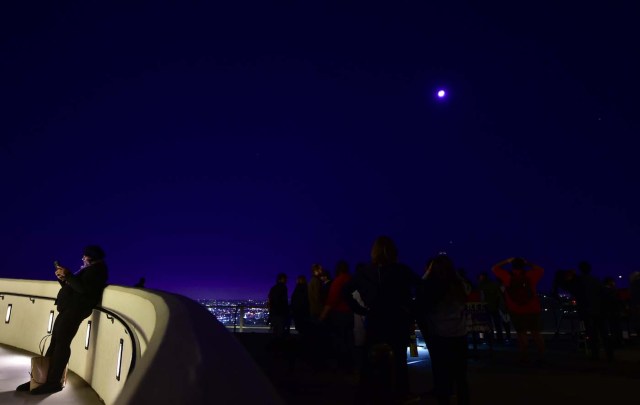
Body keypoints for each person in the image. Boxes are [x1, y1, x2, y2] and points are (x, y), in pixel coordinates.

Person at [17, 245, 109, 395]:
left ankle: (53, 383)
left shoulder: (97, 271)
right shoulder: (91, 270)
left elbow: (83, 289)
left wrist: (68, 274)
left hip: (76, 310)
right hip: (69, 309)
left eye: (85, 256)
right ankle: (41, 378)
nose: (83, 258)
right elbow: (75, 287)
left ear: (91, 257)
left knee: (61, 344)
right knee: (55, 342)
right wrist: (63, 278)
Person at [344, 236, 421, 404]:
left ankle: (369, 393)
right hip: (397, 319)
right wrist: (411, 309)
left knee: (370, 359)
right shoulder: (401, 270)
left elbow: (346, 292)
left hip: (375, 319)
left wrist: (361, 309)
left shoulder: (364, 272)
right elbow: (422, 287)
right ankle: (401, 393)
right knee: (400, 359)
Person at [421, 255, 471, 405]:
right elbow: (467, 289)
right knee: (461, 376)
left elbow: (420, 290)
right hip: (460, 335)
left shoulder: (431, 287)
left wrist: (428, 273)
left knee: (442, 376)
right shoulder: (459, 286)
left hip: (439, 336)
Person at [492, 257, 545, 363]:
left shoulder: (507, 276)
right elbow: (541, 269)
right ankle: (542, 357)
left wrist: (507, 260)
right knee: (536, 334)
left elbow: (494, 268)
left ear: (512, 266)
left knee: (521, 334)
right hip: (533, 309)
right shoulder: (530, 275)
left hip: (516, 310)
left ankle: (524, 358)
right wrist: (528, 263)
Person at [268, 273, 290, 338]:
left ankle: (275, 344)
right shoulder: (283, 288)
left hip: (274, 312)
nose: (286, 280)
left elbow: (270, 299)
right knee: (281, 330)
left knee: (275, 329)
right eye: (285, 279)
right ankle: (279, 344)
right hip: (280, 312)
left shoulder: (274, 288)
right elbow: (284, 301)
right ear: (282, 279)